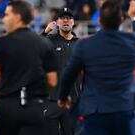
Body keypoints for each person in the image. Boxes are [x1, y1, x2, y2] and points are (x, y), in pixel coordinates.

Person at [57, 0, 135, 135]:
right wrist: (134, 17)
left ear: (99, 20)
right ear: (122, 20)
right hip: (124, 109)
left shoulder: (85, 45)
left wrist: (63, 97)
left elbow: (69, 74)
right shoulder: (132, 41)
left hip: (96, 111)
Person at [0, 1, 57, 135]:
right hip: (36, 107)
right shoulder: (44, 43)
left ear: (17, 17)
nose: (4, 19)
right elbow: (52, 81)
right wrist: (38, 95)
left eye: (6, 15)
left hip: (8, 108)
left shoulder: (2, 42)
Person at [41, 7, 81, 135]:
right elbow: (32, 50)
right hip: (52, 99)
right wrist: (44, 32)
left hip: (73, 100)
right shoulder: (49, 41)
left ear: (73, 22)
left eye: (69, 18)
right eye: (62, 18)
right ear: (57, 22)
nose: (66, 21)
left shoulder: (80, 45)